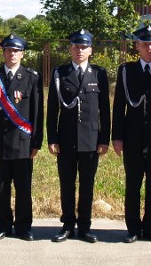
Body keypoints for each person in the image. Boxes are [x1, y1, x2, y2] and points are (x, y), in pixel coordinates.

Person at [0, 34, 44, 241]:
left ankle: (24, 227)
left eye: (16, 51)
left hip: (23, 143)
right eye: (8, 50)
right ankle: (2, 225)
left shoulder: (32, 77)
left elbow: (37, 112)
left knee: (23, 187)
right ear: (3, 53)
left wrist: (37, 142)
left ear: (22, 54)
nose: (12, 54)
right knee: (2, 186)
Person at [112, 24, 151, 243]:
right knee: (133, 184)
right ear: (137, 46)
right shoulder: (126, 71)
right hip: (133, 138)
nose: (149, 47)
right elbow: (119, 106)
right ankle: (132, 229)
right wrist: (117, 137)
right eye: (145, 44)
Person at [47, 29, 110, 243]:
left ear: (91, 50)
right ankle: (67, 225)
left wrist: (104, 139)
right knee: (67, 183)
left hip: (91, 140)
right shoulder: (60, 73)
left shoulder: (99, 73)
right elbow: (52, 109)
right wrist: (52, 138)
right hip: (65, 140)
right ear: (70, 49)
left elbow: (105, 110)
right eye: (75, 46)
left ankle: (85, 226)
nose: (79, 50)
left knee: (87, 185)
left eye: (84, 47)